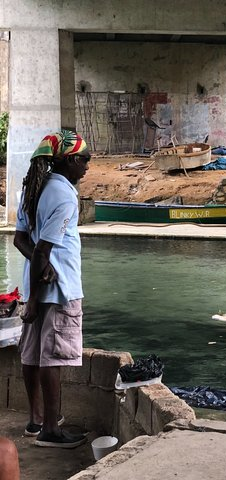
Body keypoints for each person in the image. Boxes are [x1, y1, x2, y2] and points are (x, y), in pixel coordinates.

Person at [13, 130, 90, 448]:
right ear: (70, 160)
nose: (87, 167)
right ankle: (51, 430)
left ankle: (35, 420)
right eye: (85, 160)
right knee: (53, 357)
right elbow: (44, 248)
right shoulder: (63, 194)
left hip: (38, 283)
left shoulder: (34, 188)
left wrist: (38, 272)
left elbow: (21, 240)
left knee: (32, 354)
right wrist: (44, 273)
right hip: (59, 290)